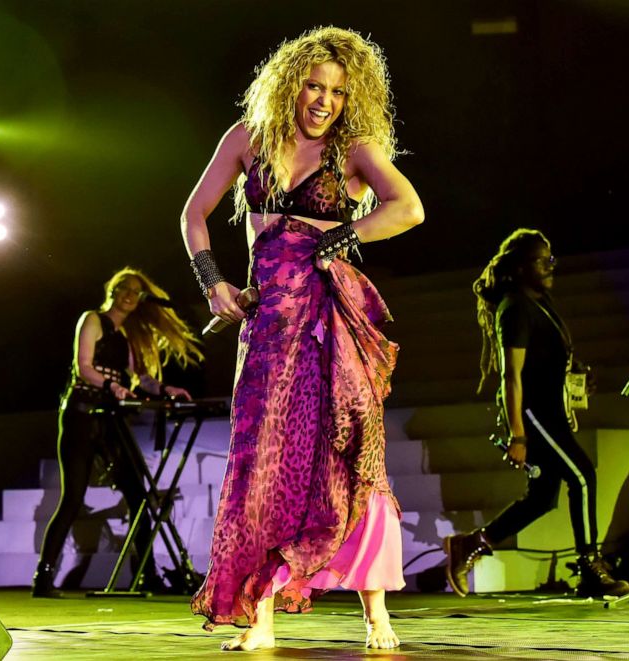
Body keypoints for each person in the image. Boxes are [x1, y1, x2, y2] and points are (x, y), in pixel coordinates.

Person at [180, 27, 423, 651]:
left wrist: (344, 238)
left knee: (353, 453)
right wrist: (214, 285)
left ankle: (377, 614)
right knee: (261, 465)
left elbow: (408, 208)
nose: (324, 101)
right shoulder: (247, 141)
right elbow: (194, 215)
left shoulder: (355, 150)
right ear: (290, 84)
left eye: (338, 93)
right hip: (266, 335)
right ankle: (257, 617)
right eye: (314, 86)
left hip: (329, 326)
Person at [444, 229, 629, 599]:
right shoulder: (513, 308)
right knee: (582, 475)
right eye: (541, 260)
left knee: (543, 498)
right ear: (518, 267)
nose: (550, 266)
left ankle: (473, 544)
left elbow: (548, 363)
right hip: (535, 416)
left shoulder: (541, 304)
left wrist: (576, 377)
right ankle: (590, 566)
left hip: (552, 414)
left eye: (551, 259)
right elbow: (510, 376)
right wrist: (518, 433)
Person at [32, 267, 202, 597]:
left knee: (139, 495)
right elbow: (83, 366)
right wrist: (112, 385)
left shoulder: (131, 337)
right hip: (82, 414)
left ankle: (146, 575)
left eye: (136, 291)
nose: (129, 294)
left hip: (111, 419)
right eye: (125, 287)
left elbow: (140, 380)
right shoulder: (92, 319)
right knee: (73, 496)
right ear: (113, 289)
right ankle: (44, 577)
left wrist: (167, 389)